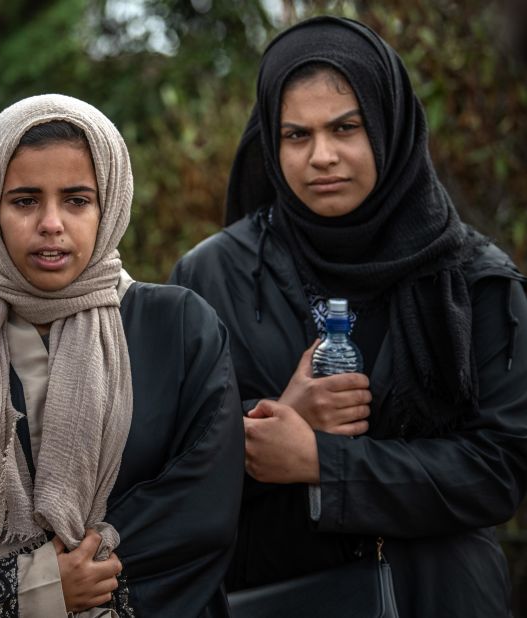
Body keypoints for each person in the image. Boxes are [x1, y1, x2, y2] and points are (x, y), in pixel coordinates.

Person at [170, 16, 527, 617]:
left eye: (346, 128)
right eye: (296, 135)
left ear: (387, 125)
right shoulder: (214, 278)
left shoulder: (471, 279)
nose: (322, 157)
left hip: (444, 599)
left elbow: (499, 468)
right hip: (283, 598)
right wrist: (262, 437)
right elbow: (165, 479)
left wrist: (321, 463)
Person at [0, 94, 244, 617]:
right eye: (25, 200)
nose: (51, 223)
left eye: (77, 200)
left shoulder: (179, 328)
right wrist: (28, 590)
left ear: (110, 204)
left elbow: (201, 509)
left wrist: (75, 583)